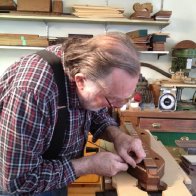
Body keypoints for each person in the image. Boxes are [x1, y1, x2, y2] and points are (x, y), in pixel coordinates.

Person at [0, 32, 146, 195]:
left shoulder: (86, 70)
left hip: (59, 174)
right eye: (111, 99)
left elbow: (94, 110)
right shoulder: (33, 92)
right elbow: (17, 181)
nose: (117, 107)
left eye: (124, 99)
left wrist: (118, 137)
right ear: (81, 81)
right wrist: (88, 165)